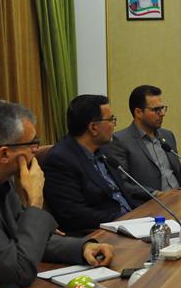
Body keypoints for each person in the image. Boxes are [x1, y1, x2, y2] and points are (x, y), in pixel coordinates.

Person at [0, 101, 113, 288]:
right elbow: (19, 269)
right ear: (4, 154)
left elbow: (27, 239)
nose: (36, 150)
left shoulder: (0, 180)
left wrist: (82, 247)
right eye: (32, 144)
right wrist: (36, 201)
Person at [43, 95, 134, 235]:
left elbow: (121, 193)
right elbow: (73, 214)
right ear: (93, 127)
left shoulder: (103, 150)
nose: (114, 125)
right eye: (111, 119)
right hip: (101, 233)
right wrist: (124, 220)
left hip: (130, 222)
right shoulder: (60, 160)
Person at [102, 85, 181, 204]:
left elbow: (179, 174)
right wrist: (155, 194)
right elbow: (122, 183)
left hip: (180, 200)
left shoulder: (167, 136)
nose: (162, 113)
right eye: (156, 109)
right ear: (138, 112)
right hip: (152, 205)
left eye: (163, 108)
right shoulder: (119, 141)